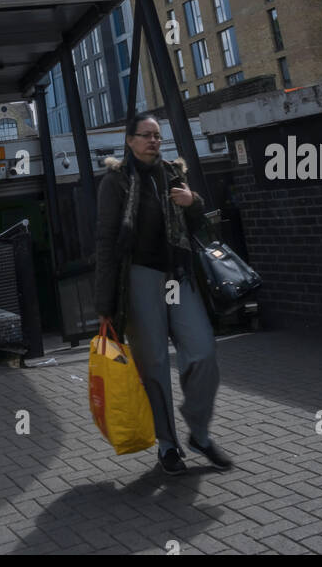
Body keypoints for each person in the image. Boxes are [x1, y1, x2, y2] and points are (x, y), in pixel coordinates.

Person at [94, 112, 231, 476]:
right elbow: (106, 243)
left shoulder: (174, 173)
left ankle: (198, 432)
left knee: (202, 350)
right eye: (146, 135)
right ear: (130, 141)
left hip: (177, 276)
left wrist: (193, 201)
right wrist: (105, 304)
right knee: (153, 364)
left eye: (157, 135)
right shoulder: (116, 181)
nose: (154, 141)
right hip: (139, 276)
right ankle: (168, 445)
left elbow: (200, 224)